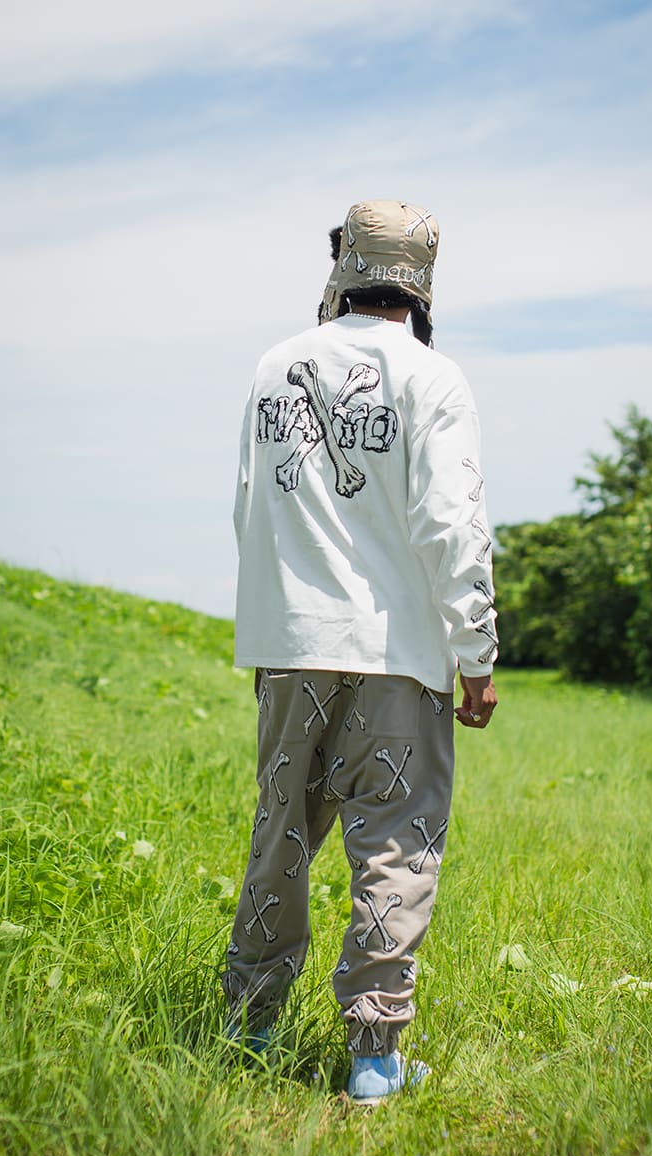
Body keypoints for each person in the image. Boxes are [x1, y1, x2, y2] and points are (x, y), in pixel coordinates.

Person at [223, 199, 498, 1105]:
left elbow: (250, 508)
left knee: (282, 834)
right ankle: (375, 1061)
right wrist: (476, 651)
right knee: (396, 843)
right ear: (421, 281)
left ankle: (249, 1031)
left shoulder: (274, 365)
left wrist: (273, 628)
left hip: (291, 647)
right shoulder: (433, 376)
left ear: (341, 263)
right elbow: (452, 525)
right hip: (397, 656)